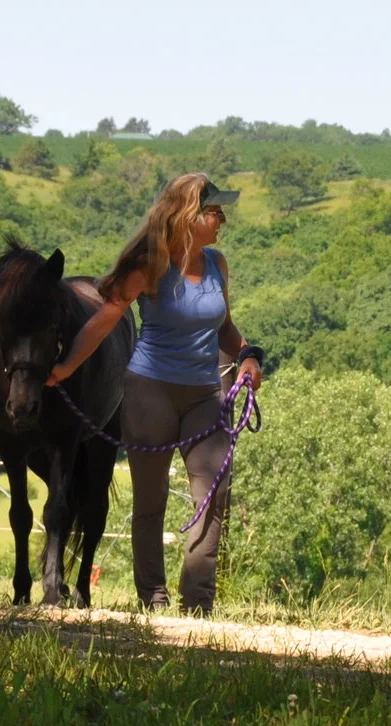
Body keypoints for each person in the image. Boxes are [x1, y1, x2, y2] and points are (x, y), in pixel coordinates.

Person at [49, 172, 264, 613]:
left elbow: (222, 325)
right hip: (149, 392)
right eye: (214, 210)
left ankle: (198, 601)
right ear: (189, 215)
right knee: (151, 499)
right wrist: (65, 367)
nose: (222, 218)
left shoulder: (217, 264)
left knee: (214, 492)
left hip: (206, 392)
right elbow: (105, 318)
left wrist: (247, 355)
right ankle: (153, 597)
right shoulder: (148, 264)